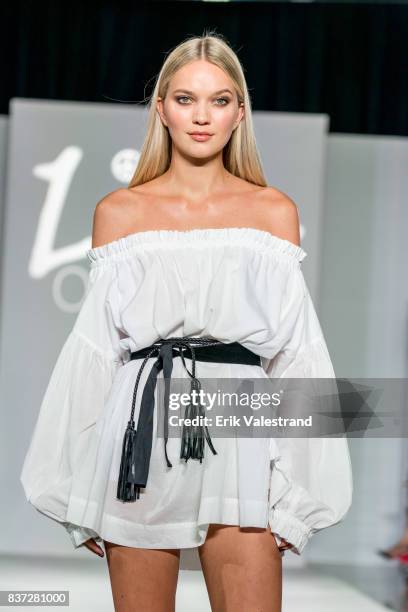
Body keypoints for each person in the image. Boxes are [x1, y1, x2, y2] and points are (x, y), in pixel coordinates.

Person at [21, 31, 353, 612]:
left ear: (239, 113)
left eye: (220, 100)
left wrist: (301, 494)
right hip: (142, 427)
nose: (202, 116)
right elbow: (95, 350)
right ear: (162, 109)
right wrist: (77, 485)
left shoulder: (273, 212)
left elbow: (299, 353)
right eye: (185, 99)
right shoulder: (119, 213)